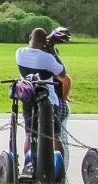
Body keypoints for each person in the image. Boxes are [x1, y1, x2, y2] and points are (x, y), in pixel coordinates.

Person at [15, 27, 70, 164]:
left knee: (29, 134)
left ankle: (30, 164)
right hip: (48, 100)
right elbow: (62, 73)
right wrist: (51, 49)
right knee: (54, 136)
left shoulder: (19, 53)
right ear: (44, 42)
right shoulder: (47, 57)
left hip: (28, 98)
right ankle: (59, 168)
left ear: (30, 39)